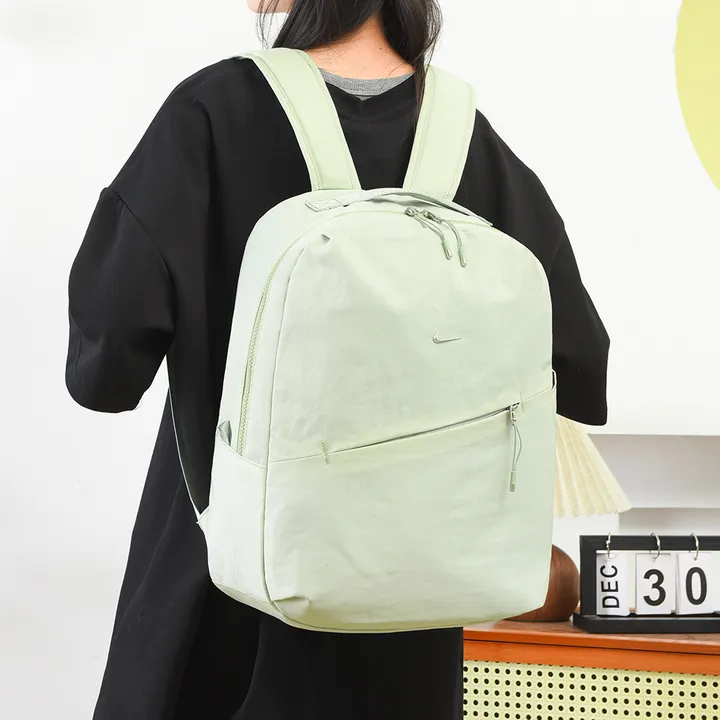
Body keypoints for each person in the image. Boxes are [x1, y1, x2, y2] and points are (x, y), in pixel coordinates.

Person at [66, 0, 610, 718]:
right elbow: (583, 363)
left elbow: (104, 369)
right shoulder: (466, 138)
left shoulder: (212, 113)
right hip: (408, 615)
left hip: (225, 596)